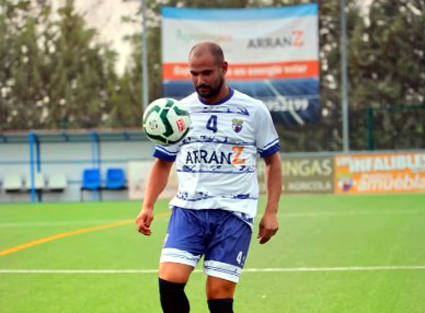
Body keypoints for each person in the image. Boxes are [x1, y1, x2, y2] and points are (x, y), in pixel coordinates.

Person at [136, 42, 282, 313]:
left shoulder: (253, 110)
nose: (200, 80)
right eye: (194, 74)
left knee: (218, 298)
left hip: (233, 214)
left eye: (206, 73)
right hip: (188, 211)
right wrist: (147, 205)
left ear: (224, 68)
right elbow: (162, 163)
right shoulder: (179, 114)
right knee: (169, 283)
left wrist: (271, 211)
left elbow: (273, 161)